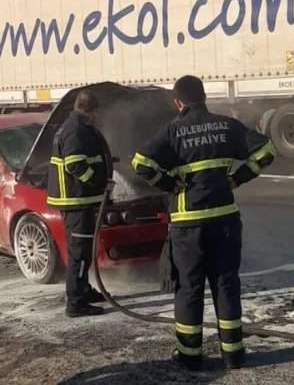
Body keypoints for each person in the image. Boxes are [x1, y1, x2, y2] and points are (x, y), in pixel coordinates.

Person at [132, 75, 275, 370]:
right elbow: (266, 152)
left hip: (188, 226)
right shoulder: (227, 126)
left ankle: (190, 355)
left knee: (189, 288)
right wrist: (237, 178)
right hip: (224, 219)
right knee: (226, 284)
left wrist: (169, 183)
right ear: (204, 96)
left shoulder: (172, 131)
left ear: (178, 102)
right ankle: (234, 354)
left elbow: (140, 163)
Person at [46, 89, 115, 318]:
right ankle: (76, 303)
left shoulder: (72, 127)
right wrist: (99, 182)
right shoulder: (76, 131)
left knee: (83, 251)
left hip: (79, 201)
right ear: (93, 111)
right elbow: (75, 165)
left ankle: (83, 290)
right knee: (79, 252)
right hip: (77, 201)